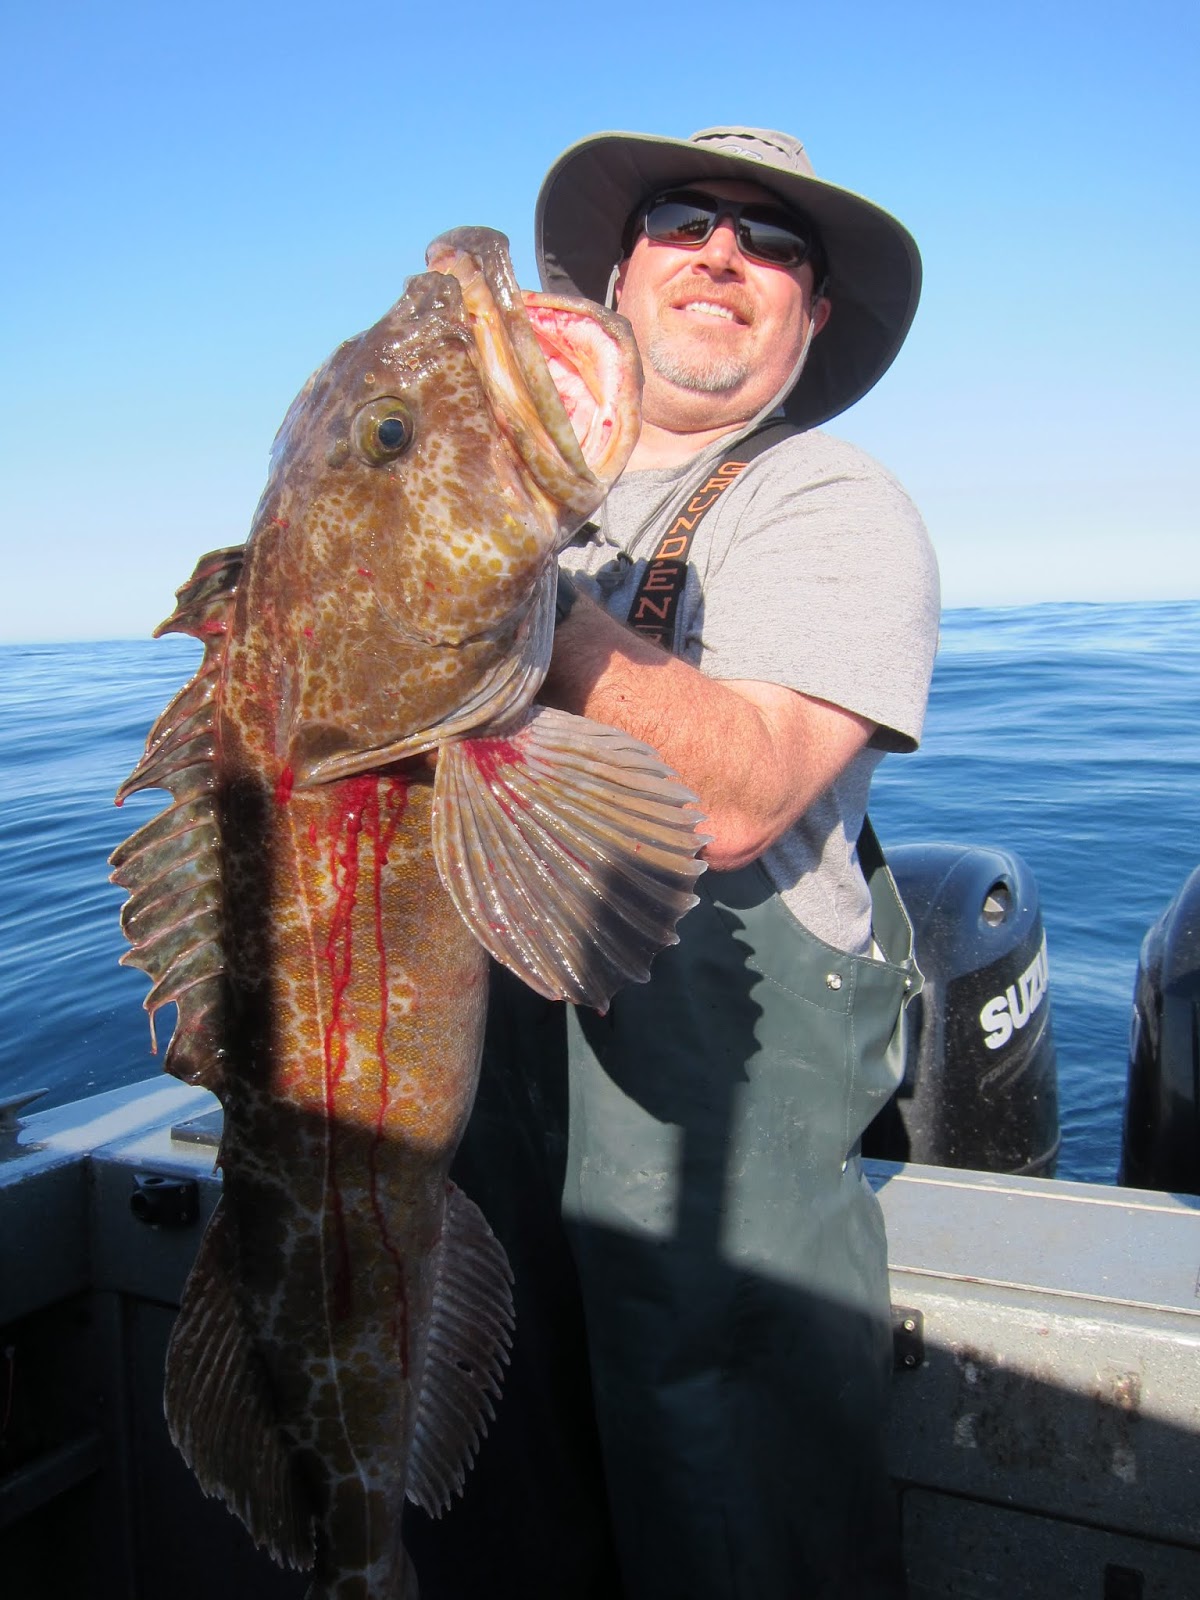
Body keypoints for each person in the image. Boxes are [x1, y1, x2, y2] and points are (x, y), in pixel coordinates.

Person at [406, 126, 940, 1600]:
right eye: (686, 219)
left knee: (738, 1542)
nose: (725, 253)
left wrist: (491, 590)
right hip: (478, 1149)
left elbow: (737, 797)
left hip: (716, 1205)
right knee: (488, 1529)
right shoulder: (480, 495)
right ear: (620, 271)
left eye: (774, 245)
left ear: (811, 313)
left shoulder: (826, 504)